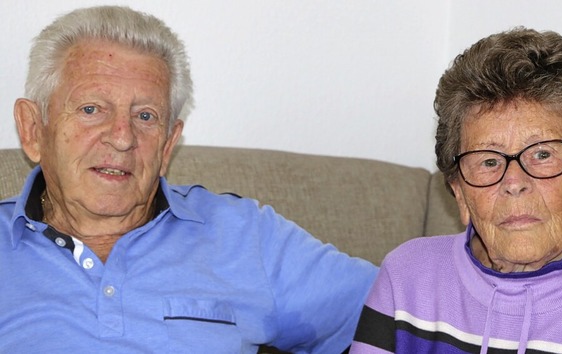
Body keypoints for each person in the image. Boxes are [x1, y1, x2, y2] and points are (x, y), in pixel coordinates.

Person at [1, 5, 377, 353]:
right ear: (33, 129)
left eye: (145, 116)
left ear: (168, 145)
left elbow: (403, 307)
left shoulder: (245, 237)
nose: (122, 136)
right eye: (91, 109)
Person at [350, 27, 562, 353]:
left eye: (542, 153)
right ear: (459, 192)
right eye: (488, 161)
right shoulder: (406, 280)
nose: (513, 182)